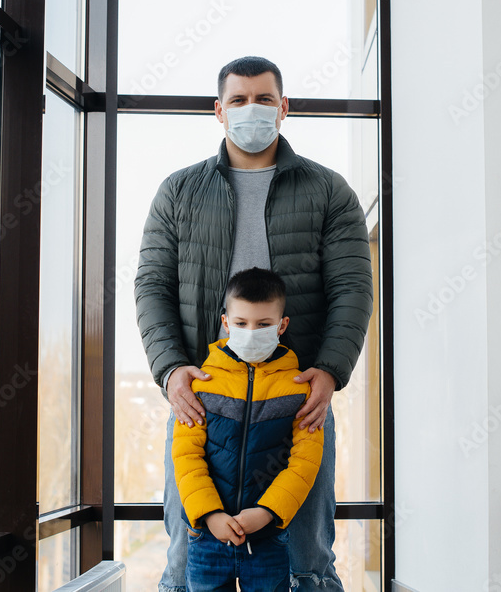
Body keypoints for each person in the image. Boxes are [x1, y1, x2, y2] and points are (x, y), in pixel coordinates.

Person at [135, 55, 373, 592]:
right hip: (203, 405)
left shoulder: (329, 192)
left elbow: (354, 289)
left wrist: (330, 370)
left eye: (264, 98)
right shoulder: (178, 193)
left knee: (304, 562)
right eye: (239, 100)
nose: (252, 109)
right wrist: (171, 369)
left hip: (296, 408)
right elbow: (151, 286)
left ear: (284, 107)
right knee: (188, 559)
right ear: (219, 111)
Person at [173, 268, 322, 591]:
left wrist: (268, 512)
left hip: (267, 539)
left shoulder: (300, 389)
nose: (251, 332)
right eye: (241, 324)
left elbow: (305, 464)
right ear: (226, 323)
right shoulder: (202, 383)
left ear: (282, 325)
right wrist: (210, 514)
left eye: (264, 324)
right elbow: (187, 457)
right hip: (207, 539)